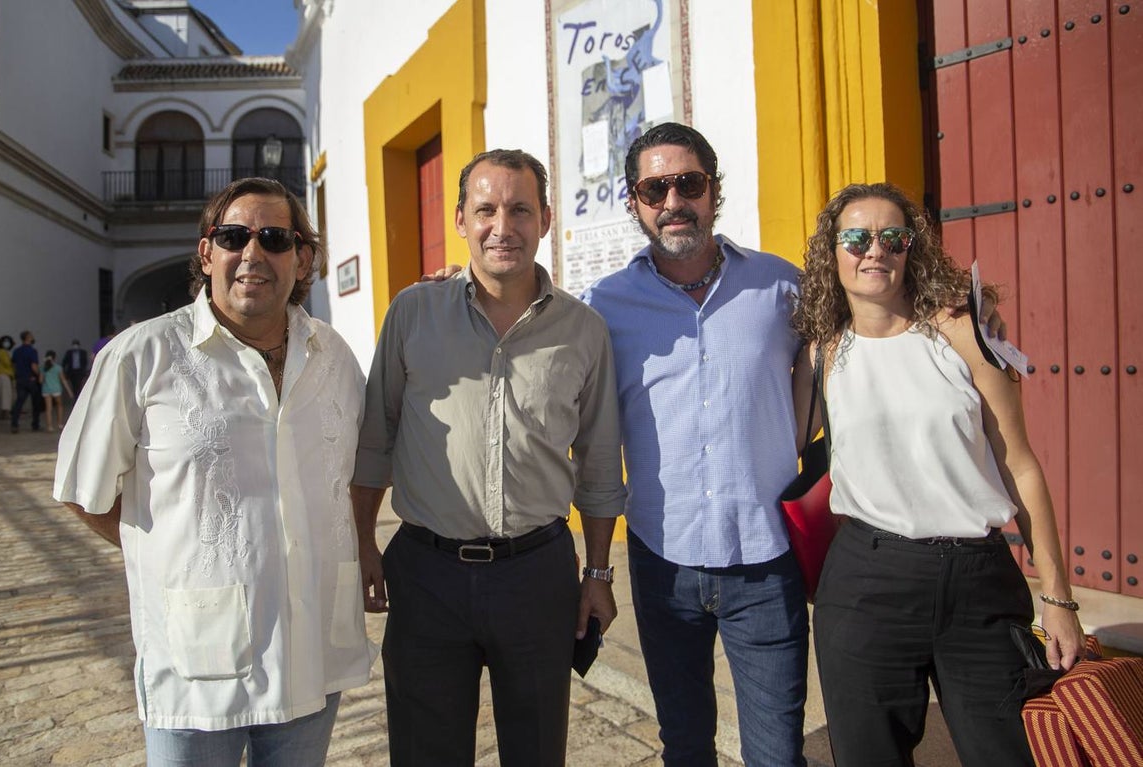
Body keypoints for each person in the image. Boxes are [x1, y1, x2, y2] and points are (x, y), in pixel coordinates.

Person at [53, 177, 372, 767]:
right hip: (196, 673)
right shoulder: (141, 356)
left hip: (311, 659)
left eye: (275, 238)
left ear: (302, 258)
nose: (253, 254)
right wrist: (164, 552)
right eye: (233, 236)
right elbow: (83, 491)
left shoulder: (334, 357)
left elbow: (355, 472)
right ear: (207, 252)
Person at [792, 182, 1083, 767]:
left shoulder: (961, 333)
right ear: (832, 253)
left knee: (1005, 753)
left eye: (892, 238)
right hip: (867, 579)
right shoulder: (820, 353)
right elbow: (778, 446)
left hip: (977, 577)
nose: (874, 250)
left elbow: (1020, 466)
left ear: (910, 249)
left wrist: (1058, 599)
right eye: (855, 237)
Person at [352, 148, 626, 766]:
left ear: (546, 219)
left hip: (537, 575)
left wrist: (600, 574)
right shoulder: (412, 313)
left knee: (536, 752)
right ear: (459, 220)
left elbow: (600, 462)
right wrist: (365, 542)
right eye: (486, 210)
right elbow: (377, 437)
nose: (503, 226)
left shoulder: (584, 331)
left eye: (520, 209)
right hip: (427, 575)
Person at [581, 122, 810, 766]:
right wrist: (461, 288)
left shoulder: (781, 287)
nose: (673, 201)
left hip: (766, 560)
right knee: (683, 746)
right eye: (655, 188)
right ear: (635, 202)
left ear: (715, 191)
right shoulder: (603, 306)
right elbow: (528, 337)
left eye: (689, 183)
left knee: (776, 754)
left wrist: (962, 310)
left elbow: (873, 314)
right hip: (663, 563)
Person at [10, 330, 42, 434]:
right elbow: (34, 366)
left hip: (20, 379)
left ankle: (14, 424)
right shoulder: (32, 351)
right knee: (36, 403)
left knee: (19, 402)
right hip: (31, 380)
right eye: (31, 336)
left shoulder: (16, 351)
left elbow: (14, 365)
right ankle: (35, 424)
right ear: (28, 338)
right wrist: (39, 374)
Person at [40, 349, 73, 431]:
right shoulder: (58, 368)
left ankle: (49, 426)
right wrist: (69, 391)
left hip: (46, 390)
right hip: (56, 389)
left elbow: (40, 380)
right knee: (59, 406)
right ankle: (60, 424)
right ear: (54, 358)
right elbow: (63, 380)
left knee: (48, 408)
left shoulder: (43, 368)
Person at [0, 335, 13, 419]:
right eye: (5, 341)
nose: (7, 343)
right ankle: (5, 413)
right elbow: (7, 363)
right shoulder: (1, 352)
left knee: (6, 394)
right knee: (5, 394)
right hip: (3, 374)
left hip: (7, 374)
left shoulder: (6, 352)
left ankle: (4, 413)